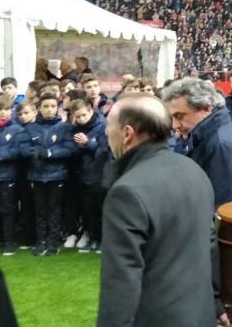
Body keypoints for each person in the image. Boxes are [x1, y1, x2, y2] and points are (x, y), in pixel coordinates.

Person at [97, 94, 218, 327]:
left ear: (127, 133)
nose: (105, 133)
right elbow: (210, 243)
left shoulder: (127, 192)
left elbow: (121, 279)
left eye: (109, 126)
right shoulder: (194, 171)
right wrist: (215, 301)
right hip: (200, 315)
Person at [161, 78, 232, 207]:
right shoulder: (212, 136)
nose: (175, 125)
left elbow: (225, 208)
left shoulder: (221, 145)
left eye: (180, 116)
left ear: (206, 108)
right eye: (172, 117)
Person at [25, 94, 75, 256]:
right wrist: (34, 152)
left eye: (53, 106)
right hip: (37, 175)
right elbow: (25, 148)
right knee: (39, 210)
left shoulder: (64, 127)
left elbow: (69, 149)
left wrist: (49, 153)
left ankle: (53, 242)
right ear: (39, 108)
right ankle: (41, 242)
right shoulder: (31, 127)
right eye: (46, 106)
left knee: (54, 209)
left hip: (57, 175)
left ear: (58, 108)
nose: (49, 109)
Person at [68, 99, 109, 253]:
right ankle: (92, 239)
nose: (81, 119)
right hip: (82, 174)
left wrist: (88, 143)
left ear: (91, 110)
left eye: (84, 115)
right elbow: (71, 150)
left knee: (101, 209)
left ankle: (103, 240)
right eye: (77, 117)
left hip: (100, 173)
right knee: (88, 210)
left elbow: (104, 150)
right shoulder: (74, 129)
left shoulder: (103, 125)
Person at [0, 95, 25, 256]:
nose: (3, 112)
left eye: (7, 109)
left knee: (7, 210)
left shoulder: (17, 129)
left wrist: (2, 155)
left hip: (7, 176)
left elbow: (19, 150)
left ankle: (9, 243)